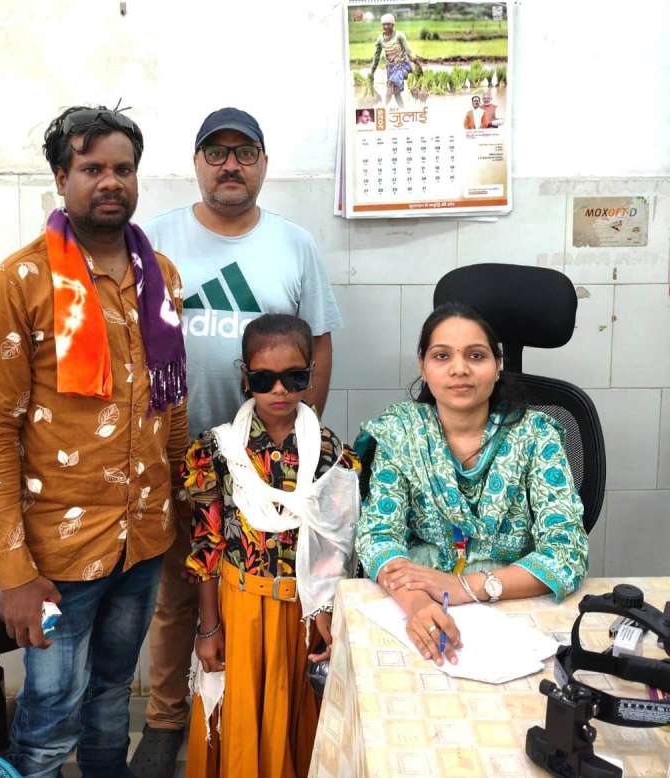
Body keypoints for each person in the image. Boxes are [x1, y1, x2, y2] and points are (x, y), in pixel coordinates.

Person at [0, 104, 188, 777]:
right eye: (92, 168)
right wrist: (13, 572)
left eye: (123, 168)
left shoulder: (161, 276)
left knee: (113, 692)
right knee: (51, 710)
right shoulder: (20, 282)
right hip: (57, 556)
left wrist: (183, 506)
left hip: (143, 541)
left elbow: (170, 404)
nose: (110, 181)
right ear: (62, 178)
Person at [132, 107, 342, 776]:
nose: (230, 165)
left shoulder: (293, 244)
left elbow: (319, 343)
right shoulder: (154, 240)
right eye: (216, 153)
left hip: (271, 460)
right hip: (181, 454)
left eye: (244, 152)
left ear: (263, 164)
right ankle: (167, 718)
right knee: (180, 592)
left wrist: (301, 436)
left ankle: (270, 714)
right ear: (197, 163)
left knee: (275, 589)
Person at [355, 303, 588, 665]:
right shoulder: (401, 432)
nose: (459, 369)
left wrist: (465, 586)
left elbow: (566, 551)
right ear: (423, 366)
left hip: (515, 607)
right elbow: (377, 536)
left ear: (498, 364)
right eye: (442, 356)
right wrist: (416, 604)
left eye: (476, 356)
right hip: (418, 603)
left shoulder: (535, 435)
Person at [183, 314, 360, 778]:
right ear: (246, 377)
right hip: (238, 609)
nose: (279, 390)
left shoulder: (330, 453)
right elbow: (206, 546)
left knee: (296, 722)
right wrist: (208, 628)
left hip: (304, 613)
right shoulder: (218, 451)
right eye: (265, 379)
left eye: (294, 378)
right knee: (242, 721)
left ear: (310, 376)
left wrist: (327, 613)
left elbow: (337, 545)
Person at [369, 13, 419, 108]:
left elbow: (408, 50)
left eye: (388, 24)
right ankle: (402, 110)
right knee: (396, 93)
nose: (386, 26)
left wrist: (416, 62)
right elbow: (376, 56)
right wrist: (372, 71)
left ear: (393, 25)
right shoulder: (380, 39)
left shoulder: (399, 36)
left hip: (402, 66)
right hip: (390, 68)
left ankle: (383, 109)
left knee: (390, 86)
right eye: (384, 24)